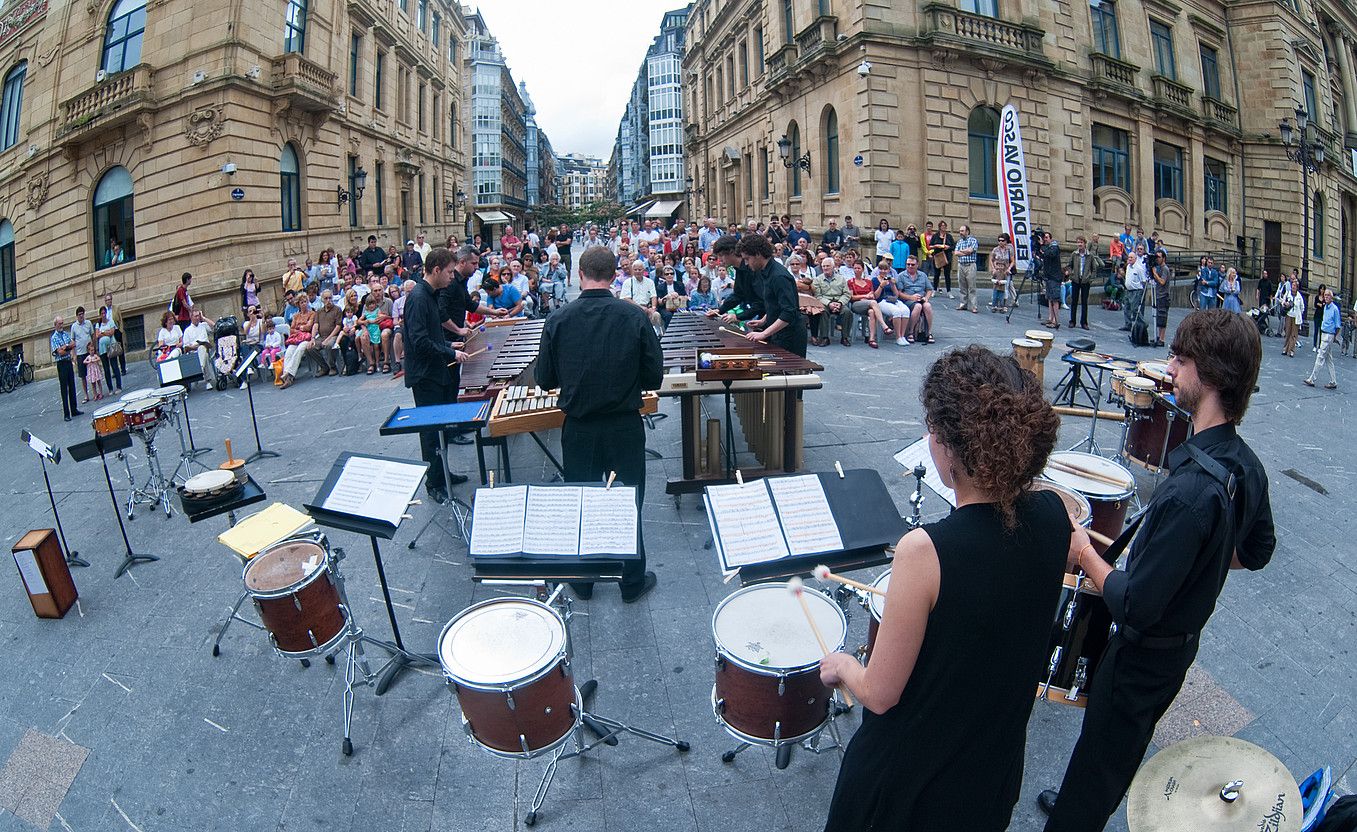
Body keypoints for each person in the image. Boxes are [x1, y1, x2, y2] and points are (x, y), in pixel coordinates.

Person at [1038, 309, 1276, 831]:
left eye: (1181, 359)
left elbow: (1134, 604)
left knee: (1110, 744)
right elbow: (1257, 550)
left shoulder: (1190, 492)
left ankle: (1077, 817)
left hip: (1144, 653)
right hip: (1179, 647)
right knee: (1114, 749)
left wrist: (1083, 555)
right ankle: (1084, 797)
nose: (1170, 367)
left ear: (1209, 375)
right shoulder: (1249, 466)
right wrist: (1204, 562)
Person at [820, 345, 1064, 832]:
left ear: (949, 450)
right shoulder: (1056, 515)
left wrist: (844, 665)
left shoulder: (924, 552)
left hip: (912, 780)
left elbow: (881, 694)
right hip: (990, 767)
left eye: (933, 429)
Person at [535, 246, 662, 603]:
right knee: (629, 501)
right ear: (615, 275)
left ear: (579, 274)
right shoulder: (633, 316)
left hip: (579, 427)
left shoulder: (558, 319)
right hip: (624, 425)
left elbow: (544, 379)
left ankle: (585, 580)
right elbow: (654, 376)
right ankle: (631, 581)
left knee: (583, 502)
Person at [405, 247, 470, 504]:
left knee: (440, 427)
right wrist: (450, 353)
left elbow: (431, 333)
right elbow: (419, 341)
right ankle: (434, 483)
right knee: (431, 431)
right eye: (449, 272)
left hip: (435, 370)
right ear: (435, 270)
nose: (452, 277)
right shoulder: (419, 297)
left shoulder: (431, 294)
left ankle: (443, 473)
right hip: (425, 375)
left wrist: (448, 344)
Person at [737, 234, 807, 358]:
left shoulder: (779, 276)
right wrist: (763, 321)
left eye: (747, 259)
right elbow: (775, 303)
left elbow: (788, 313)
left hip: (790, 336)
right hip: (778, 332)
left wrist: (764, 334)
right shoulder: (765, 272)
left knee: (788, 374)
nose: (746, 263)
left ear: (758, 254)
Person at [710, 235, 764, 324]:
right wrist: (719, 310)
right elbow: (738, 295)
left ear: (731, 252)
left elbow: (761, 302)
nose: (719, 260)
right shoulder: (739, 269)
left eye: (721, 255)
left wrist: (738, 317)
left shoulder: (752, 269)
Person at [810, 257, 851, 347]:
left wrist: (840, 303)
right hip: (825, 303)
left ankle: (845, 337)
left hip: (839, 301)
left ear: (833, 267)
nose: (825, 268)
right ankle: (825, 338)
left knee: (847, 312)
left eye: (827, 266)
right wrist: (829, 303)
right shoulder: (818, 279)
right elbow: (818, 296)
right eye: (823, 266)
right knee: (823, 311)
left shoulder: (841, 279)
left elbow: (847, 294)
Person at [1304, 287, 1340, 389]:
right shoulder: (1325, 307)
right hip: (1324, 333)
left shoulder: (1335, 309)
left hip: (1329, 335)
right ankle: (1333, 381)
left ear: (1331, 297)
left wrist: (1334, 336)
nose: (1326, 297)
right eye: (1325, 296)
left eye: (1328, 295)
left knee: (1320, 356)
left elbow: (1338, 326)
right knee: (1329, 359)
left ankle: (1312, 378)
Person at [897, 256, 935, 344]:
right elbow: (899, 293)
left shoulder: (923, 275)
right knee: (917, 306)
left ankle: (928, 332)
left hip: (921, 298)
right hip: (908, 300)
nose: (910, 266)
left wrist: (926, 298)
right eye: (908, 264)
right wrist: (911, 297)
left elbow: (929, 289)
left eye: (912, 264)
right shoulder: (901, 276)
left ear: (917, 265)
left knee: (927, 306)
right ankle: (911, 332)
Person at [50, 316, 81, 421]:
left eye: (62, 323)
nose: (61, 325)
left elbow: (73, 344)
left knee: (72, 385)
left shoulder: (65, 334)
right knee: (64, 388)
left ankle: (74, 409)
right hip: (61, 364)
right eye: (59, 323)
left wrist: (66, 347)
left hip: (68, 362)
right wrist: (67, 348)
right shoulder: (54, 337)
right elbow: (60, 352)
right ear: (55, 325)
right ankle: (66, 413)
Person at [847, 261, 884, 348]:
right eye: (855, 268)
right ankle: (883, 324)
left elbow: (873, 295)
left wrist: (869, 296)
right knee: (873, 302)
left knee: (871, 311)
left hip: (868, 304)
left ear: (863, 269)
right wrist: (865, 296)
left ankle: (871, 338)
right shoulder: (850, 282)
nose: (857, 270)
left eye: (859, 268)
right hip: (856, 304)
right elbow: (851, 297)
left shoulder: (868, 282)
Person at [1066, 236, 1099, 329]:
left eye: (1081, 242)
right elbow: (1069, 266)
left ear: (1085, 243)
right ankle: (1072, 321)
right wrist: (1071, 274)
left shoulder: (1090, 255)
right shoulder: (1074, 254)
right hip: (1076, 280)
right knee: (1074, 301)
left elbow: (1094, 269)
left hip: (1085, 281)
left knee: (1084, 302)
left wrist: (1090, 279)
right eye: (1078, 242)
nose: (1079, 244)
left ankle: (1084, 322)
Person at [181, 309, 217, 389]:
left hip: (205, 349)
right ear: (191, 317)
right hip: (193, 352)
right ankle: (205, 375)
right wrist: (194, 347)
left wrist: (203, 318)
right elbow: (185, 347)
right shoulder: (187, 330)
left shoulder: (203, 325)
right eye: (196, 316)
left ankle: (202, 370)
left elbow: (215, 326)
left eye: (198, 316)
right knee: (201, 351)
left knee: (203, 349)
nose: (197, 318)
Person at [70, 306, 96, 403]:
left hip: (89, 352)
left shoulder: (88, 323)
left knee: (93, 372)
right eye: (79, 315)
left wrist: (94, 348)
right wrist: (74, 355)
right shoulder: (74, 326)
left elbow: (93, 335)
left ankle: (95, 393)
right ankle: (86, 395)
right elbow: (72, 341)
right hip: (80, 353)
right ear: (77, 316)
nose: (81, 316)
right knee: (83, 375)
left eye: (82, 314)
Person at [1038, 232, 1063, 328]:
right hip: (1048, 276)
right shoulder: (1047, 248)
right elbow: (1043, 256)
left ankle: (1055, 320)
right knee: (1049, 298)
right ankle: (1050, 318)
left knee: (1055, 299)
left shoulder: (1054, 247)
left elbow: (1050, 254)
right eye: (1044, 238)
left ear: (1051, 239)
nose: (1045, 239)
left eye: (1047, 238)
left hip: (1055, 277)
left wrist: (1042, 246)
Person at [954, 224, 979, 313]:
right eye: (960, 231)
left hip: (970, 265)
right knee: (962, 286)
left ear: (967, 231)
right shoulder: (959, 242)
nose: (960, 233)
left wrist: (962, 251)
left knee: (971, 287)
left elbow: (971, 250)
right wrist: (965, 252)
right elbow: (956, 253)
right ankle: (963, 304)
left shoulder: (973, 240)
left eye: (962, 231)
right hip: (961, 265)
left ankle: (974, 306)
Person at [928, 220, 955, 298]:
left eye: (945, 226)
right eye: (942, 226)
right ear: (939, 227)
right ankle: (934, 290)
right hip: (938, 256)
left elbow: (953, 246)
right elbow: (930, 246)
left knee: (947, 275)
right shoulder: (935, 236)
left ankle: (949, 291)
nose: (944, 227)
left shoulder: (949, 236)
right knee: (936, 274)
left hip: (947, 257)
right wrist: (936, 246)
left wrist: (948, 247)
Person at [1151, 250, 1172, 347]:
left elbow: (1162, 281)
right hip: (1158, 295)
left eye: (1159, 257)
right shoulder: (1159, 268)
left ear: (1163, 258)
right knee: (1159, 317)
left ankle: (1162, 339)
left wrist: (1154, 274)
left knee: (1163, 318)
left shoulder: (1165, 269)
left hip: (1164, 296)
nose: (1157, 259)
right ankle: (1159, 337)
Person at [1122, 249, 1146, 332]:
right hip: (1128, 290)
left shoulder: (1139, 268)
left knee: (1135, 309)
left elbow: (1143, 281)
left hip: (1136, 291)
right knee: (1126, 308)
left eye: (1131, 257)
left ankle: (1142, 324)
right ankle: (1128, 324)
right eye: (1129, 257)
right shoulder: (1128, 266)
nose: (1129, 259)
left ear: (1135, 259)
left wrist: (1140, 291)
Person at [989, 233, 1014, 313]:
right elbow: (991, 259)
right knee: (996, 287)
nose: (1000, 242)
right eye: (999, 240)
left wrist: (1009, 268)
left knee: (1005, 288)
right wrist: (993, 269)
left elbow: (1013, 261)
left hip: (1005, 271)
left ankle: (1004, 305)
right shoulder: (995, 249)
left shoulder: (1009, 249)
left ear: (1006, 241)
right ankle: (995, 304)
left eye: (1002, 241)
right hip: (997, 271)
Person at [1281, 274, 1304, 357]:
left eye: (1295, 286)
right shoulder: (1287, 294)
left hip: (1296, 317)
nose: (1293, 287)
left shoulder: (1299, 297)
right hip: (1289, 315)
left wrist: (1299, 314)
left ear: (1297, 287)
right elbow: (1282, 301)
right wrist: (1285, 304)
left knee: (1294, 334)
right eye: (1293, 285)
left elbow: (1302, 308)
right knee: (1288, 332)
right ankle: (1285, 348)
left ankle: (1291, 350)